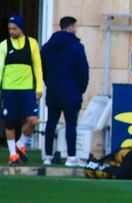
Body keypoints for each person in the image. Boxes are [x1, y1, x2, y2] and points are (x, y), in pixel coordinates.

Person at [41, 16, 89, 166]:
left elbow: (43, 70)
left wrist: (49, 83)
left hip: (54, 90)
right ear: (70, 28)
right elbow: (83, 71)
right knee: (71, 125)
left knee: (51, 124)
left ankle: (47, 156)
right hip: (72, 92)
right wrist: (80, 89)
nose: (76, 30)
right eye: (75, 27)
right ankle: (71, 157)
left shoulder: (47, 47)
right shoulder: (77, 47)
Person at [0, 15, 43, 165]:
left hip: (27, 89)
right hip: (9, 89)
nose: (11, 31)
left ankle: (21, 143)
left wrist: (38, 87)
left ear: (21, 28)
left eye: (14, 28)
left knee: (33, 120)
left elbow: (37, 66)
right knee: (10, 123)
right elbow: (0, 68)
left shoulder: (32, 44)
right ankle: (13, 154)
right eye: (9, 29)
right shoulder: (4, 45)